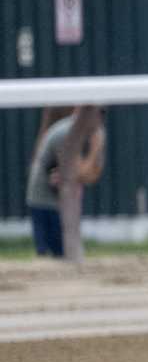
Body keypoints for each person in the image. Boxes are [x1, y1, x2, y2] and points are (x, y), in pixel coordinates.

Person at [23, 110, 104, 258]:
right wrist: (95, 151)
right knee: (53, 256)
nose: (100, 121)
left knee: (65, 255)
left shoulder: (88, 133)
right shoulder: (66, 133)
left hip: (61, 199)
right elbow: (76, 176)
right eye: (98, 115)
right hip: (45, 199)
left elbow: (91, 176)